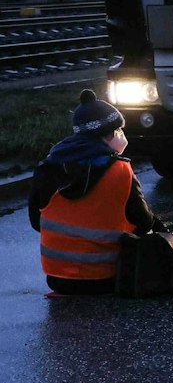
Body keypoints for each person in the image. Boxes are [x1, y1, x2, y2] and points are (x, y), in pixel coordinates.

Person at [30, 91, 157, 296]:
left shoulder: (47, 168)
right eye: (118, 130)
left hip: (57, 280)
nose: (121, 135)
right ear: (106, 134)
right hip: (105, 278)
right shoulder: (120, 170)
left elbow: (36, 222)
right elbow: (144, 222)